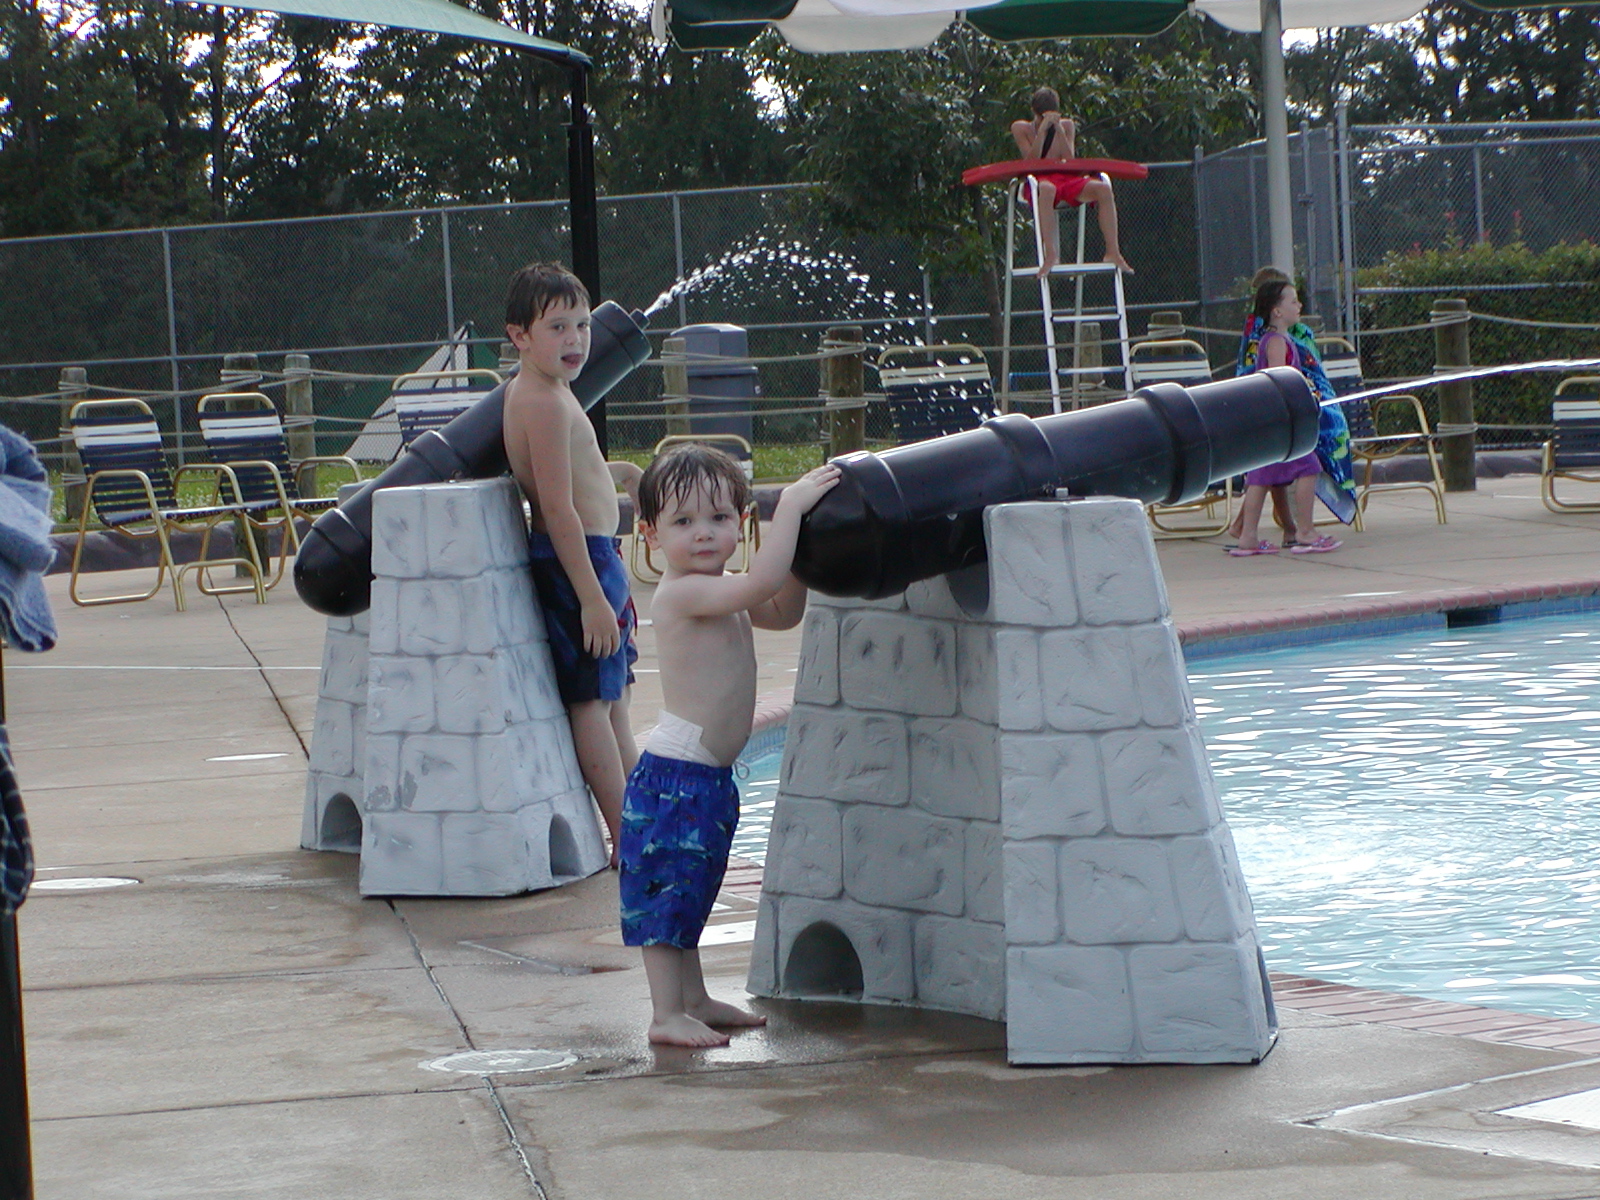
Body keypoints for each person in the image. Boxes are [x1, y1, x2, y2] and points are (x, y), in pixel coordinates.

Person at [625, 444, 840, 1047]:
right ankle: (665, 1014)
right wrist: (790, 506)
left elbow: (783, 607)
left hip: (707, 777)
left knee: (694, 887)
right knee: (666, 895)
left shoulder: (722, 590)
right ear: (650, 535)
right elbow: (764, 580)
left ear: (740, 525)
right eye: (683, 521)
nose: (703, 533)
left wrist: (806, 545)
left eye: (719, 518)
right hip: (675, 776)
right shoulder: (681, 594)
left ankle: (693, 999)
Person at [502, 262, 638, 865]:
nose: (575, 339)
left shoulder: (550, 392)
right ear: (519, 336)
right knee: (593, 704)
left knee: (617, 700)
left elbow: (574, 478)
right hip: (578, 565)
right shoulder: (541, 402)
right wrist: (590, 599)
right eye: (557, 327)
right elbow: (555, 508)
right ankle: (624, 835)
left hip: (596, 557)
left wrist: (621, 476)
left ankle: (640, 820)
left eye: (582, 325)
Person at [1230, 279, 1343, 557]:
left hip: (1269, 420)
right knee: (1309, 467)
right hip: (1282, 421)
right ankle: (1306, 532)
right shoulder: (1277, 342)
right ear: (1277, 311)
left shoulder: (1273, 339)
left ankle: (1248, 537)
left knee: (1260, 476)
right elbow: (1279, 380)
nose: (1299, 305)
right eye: (1293, 301)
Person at [1010, 87, 1133, 278]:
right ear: (1034, 112)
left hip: (1066, 178)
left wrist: (1058, 130)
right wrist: (1041, 132)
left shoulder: (1067, 126)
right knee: (1047, 189)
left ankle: (1113, 252)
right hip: (1038, 180)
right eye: (1042, 117)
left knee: (1103, 188)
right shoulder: (1021, 128)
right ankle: (1051, 254)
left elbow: (1070, 159)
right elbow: (1031, 162)